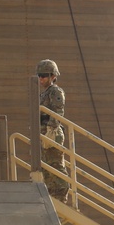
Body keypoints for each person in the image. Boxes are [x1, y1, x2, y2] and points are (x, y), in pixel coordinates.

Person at [37, 59, 71, 203]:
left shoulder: (55, 91)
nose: (41, 78)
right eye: (39, 75)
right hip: (43, 130)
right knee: (45, 164)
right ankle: (51, 193)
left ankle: (61, 194)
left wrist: (51, 130)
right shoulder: (44, 93)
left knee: (55, 163)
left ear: (52, 76)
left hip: (52, 131)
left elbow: (58, 111)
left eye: (44, 75)